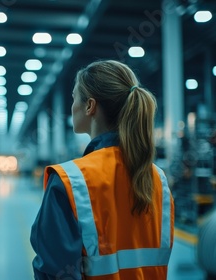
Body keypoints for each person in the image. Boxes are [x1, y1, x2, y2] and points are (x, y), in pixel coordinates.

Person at [30, 60, 174, 279]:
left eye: (73, 98)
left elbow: (55, 271)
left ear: (90, 106)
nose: (71, 107)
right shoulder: (158, 179)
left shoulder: (71, 181)